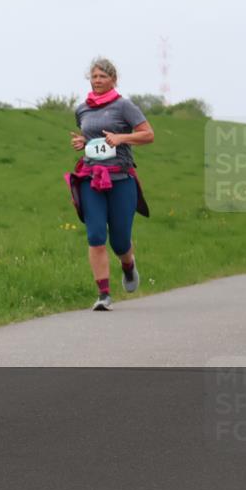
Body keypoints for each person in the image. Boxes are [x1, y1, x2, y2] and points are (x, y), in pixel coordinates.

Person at [65, 57, 154, 311]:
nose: (97, 81)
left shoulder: (124, 106)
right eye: (94, 77)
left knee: (120, 240)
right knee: (95, 236)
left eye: (102, 77)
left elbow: (148, 134)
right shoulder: (82, 109)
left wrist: (121, 137)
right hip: (91, 178)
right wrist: (83, 142)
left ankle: (128, 266)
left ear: (113, 80)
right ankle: (103, 294)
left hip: (120, 178)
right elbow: (92, 137)